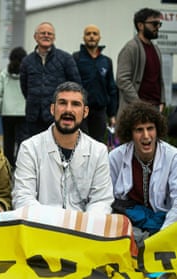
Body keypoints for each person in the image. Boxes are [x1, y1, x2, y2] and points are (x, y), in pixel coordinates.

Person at [12, 81, 113, 214]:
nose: (68, 110)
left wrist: (80, 225)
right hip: (41, 228)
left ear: (85, 112)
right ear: (53, 109)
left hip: (82, 231)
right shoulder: (30, 148)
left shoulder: (98, 152)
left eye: (76, 104)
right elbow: (22, 198)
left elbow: (101, 201)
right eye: (62, 103)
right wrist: (55, 223)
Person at [109, 101, 177, 247]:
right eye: (139, 130)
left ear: (157, 130)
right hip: (127, 226)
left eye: (150, 128)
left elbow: (176, 205)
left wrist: (161, 238)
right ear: (130, 133)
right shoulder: (115, 157)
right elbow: (106, 198)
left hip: (164, 225)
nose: (146, 136)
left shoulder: (173, 157)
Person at [20, 22, 81, 138]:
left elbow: (76, 86)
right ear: (35, 37)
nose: (46, 36)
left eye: (50, 34)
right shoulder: (27, 61)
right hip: (34, 117)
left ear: (54, 38)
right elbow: (24, 89)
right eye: (43, 33)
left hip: (58, 115)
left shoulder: (66, 59)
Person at [73, 24, 117, 142]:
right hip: (81, 110)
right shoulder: (75, 58)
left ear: (99, 37)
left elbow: (111, 88)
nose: (91, 36)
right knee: (81, 143)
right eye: (88, 34)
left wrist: (112, 114)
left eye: (95, 34)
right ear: (84, 38)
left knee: (97, 145)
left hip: (100, 112)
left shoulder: (106, 61)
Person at [116, 8, 164, 115]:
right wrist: (138, 103)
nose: (157, 27)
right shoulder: (131, 48)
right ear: (140, 26)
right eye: (154, 24)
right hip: (136, 109)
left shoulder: (156, 49)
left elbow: (159, 80)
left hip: (155, 107)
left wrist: (162, 101)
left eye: (159, 24)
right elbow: (122, 79)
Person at [0, 46, 27, 168]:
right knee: (23, 142)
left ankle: (8, 165)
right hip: (24, 112)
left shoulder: (3, 74)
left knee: (8, 141)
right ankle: (21, 165)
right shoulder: (27, 73)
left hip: (7, 113)